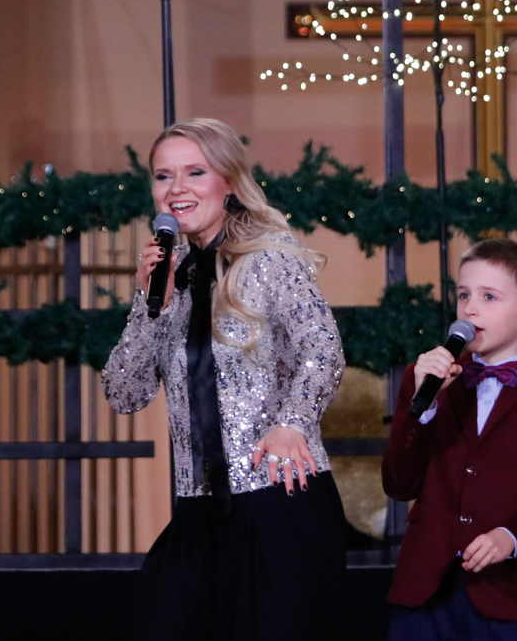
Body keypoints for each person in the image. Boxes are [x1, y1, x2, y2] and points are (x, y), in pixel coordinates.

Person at [102, 117, 347, 640]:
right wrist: (149, 305)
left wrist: (293, 423)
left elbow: (323, 349)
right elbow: (124, 393)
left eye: (195, 171)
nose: (178, 188)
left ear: (229, 181)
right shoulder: (170, 277)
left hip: (277, 502)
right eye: (164, 176)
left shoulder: (270, 259)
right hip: (198, 512)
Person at [382, 238, 517, 640]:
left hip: (504, 594)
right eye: (464, 295)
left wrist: (510, 537)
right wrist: (424, 406)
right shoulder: (425, 379)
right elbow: (398, 484)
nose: (470, 309)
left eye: (489, 296)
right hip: (422, 594)